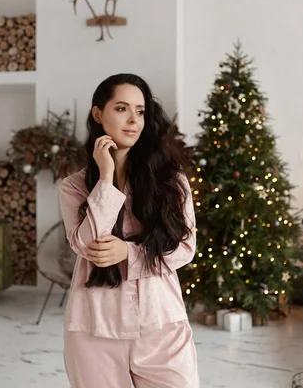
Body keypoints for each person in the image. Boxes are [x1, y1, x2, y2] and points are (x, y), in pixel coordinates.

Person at [58, 73, 200, 388]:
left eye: (140, 110)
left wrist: (129, 253)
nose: (133, 120)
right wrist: (106, 178)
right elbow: (86, 245)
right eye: (122, 108)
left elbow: (185, 248)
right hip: (95, 329)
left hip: (161, 325)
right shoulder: (74, 187)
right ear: (98, 114)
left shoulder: (171, 181)